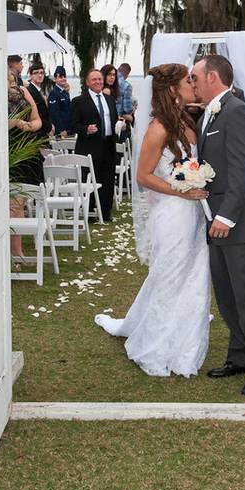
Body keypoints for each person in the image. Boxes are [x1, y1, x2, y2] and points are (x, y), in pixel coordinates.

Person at [94, 63, 211, 376]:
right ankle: (157, 346)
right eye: (188, 80)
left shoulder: (188, 119)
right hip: (173, 213)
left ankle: (186, 341)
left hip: (193, 214)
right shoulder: (158, 128)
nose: (193, 84)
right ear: (173, 89)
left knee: (193, 275)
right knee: (170, 277)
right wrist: (181, 190)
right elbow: (143, 176)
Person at [191, 54, 245, 396]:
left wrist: (226, 216)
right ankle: (239, 356)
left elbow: (243, 171)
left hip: (239, 225)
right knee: (226, 297)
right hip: (216, 223)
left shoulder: (237, 112)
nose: (192, 83)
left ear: (212, 76)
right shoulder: (210, 113)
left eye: (195, 77)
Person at [72, 68, 118, 222]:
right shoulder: (79, 101)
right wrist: (86, 129)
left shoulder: (109, 99)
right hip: (89, 147)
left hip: (108, 145)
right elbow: (72, 125)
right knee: (89, 179)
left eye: (100, 79)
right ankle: (90, 212)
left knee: (108, 178)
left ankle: (105, 212)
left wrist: (120, 126)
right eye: (94, 80)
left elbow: (114, 119)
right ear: (87, 82)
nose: (98, 82)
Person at [8, 70, 43, 266]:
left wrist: (31, 126)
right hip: (7, 148)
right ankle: (12, 254)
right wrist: (13, 123)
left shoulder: (24, 91)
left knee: (18, 203)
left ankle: (18, 253)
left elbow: (38, 118)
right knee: (11, 204)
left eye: (14, 81)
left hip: (26, 150)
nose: (12, 84)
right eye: (9, 81)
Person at [47, 66, 73, 136]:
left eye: (64, 76)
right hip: (61, 131)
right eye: (61, 77)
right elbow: (54, 114)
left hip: (68, 128)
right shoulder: (53, 93)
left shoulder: (65, 92)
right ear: (55, 79)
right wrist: (61, 129)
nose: (64, 79)